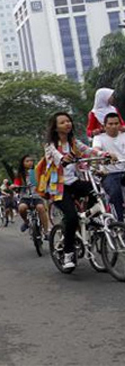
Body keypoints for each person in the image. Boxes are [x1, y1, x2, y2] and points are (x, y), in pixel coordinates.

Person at [42, 112, 116, 271]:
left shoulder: (73, 142)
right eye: (62, 122)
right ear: (55, 128)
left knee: (94, 190)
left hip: (73, 182)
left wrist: (105, 155)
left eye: (68, 121)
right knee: (71, 217)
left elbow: (89, 151)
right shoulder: (50, 145)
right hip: (58, 188)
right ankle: (68, 253)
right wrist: (64, 159)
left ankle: (91, 218)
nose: (67, 124)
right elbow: (57, 157)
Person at [92, 112, 125, 221]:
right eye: (110, 124)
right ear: (104, 125)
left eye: (116, 123)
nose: (113, 126)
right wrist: (105, 155)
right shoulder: (99, 138)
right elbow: (96, 149)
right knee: (115, 193)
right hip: (109, 174)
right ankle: (119, 224)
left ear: (120, 124)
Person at [12, 155, 50, 238]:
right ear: (23, 163)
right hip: (25, 197)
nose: (30, 163)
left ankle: (46, 231)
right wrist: (14, 186)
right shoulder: (20, 174)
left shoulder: (35, 172)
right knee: (22, 208)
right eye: (27, 161)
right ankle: (26, 222)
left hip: (36, 196)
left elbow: (40, 182)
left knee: (41, 208)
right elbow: (16, 184)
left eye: (31, 161)